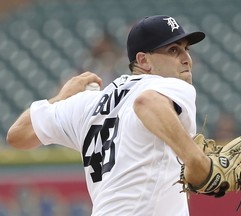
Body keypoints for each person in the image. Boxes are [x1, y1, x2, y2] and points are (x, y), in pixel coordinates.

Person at [7, 15, 211, 215]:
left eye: (186, 49)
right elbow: (146, 102)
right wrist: (196, 159)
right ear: (143, 60)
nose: (186, 59)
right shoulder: (169, 84)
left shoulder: (88, 103)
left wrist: (60, 98)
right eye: (173, 50)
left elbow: (18, 135)